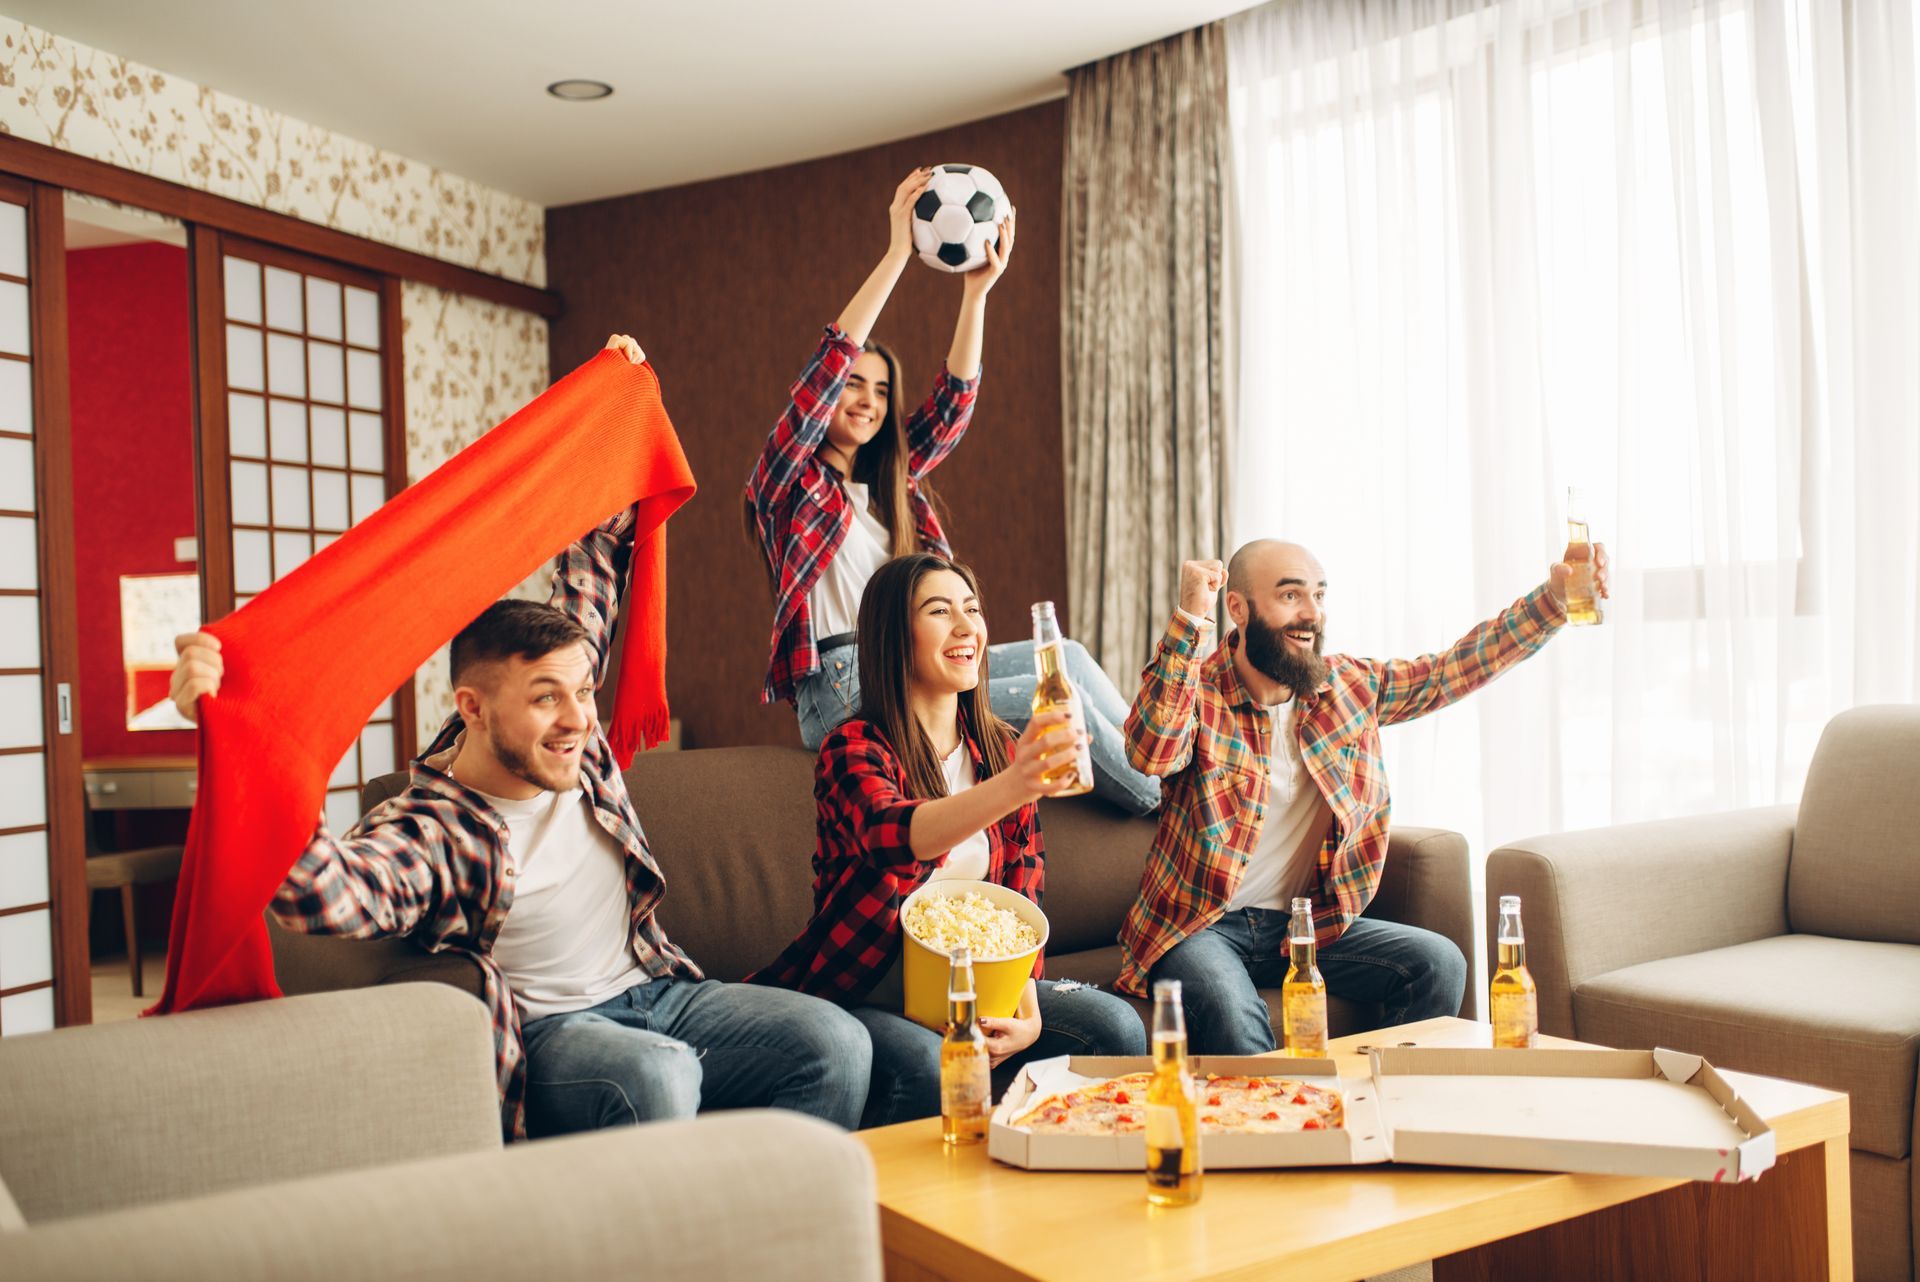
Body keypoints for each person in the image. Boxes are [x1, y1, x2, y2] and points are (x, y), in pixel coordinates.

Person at [169, 335, 871, 1140]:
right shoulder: (432, 829)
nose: (578, 719)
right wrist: (236, 738)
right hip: (556, 1034)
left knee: (837, 1043)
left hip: (661, 988)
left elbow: (599, 552)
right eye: (546, 700)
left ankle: (775, 1208)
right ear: (471, 707)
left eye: (583, 692)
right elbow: (321, 896)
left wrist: (616, 397)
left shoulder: (578, 737)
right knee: (661, 1072)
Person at [744, 168, 1158, 814]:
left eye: (882, 391)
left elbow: (952, 405)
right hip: (845, 685)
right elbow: (827, 365)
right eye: (854, 385)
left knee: (1068, 659)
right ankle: (1162, 801)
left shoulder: (894, 490)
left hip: (914, 660)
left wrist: (976, 294)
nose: (867, 400)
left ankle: (1162, 767)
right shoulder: (788, 485)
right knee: (1061, 701)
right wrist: (896, 255)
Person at [1116, 538, 1612, 1053]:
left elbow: (1451, 671)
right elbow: (1150, 752)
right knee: (1231, 1011)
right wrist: (1189, 620)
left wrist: (1552, 602)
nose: (1311, 614)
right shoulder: (1197, 694)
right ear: (1237, 608)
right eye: (1290, 596)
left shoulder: (1348, 688)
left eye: (1319, 595)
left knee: (1438, 963)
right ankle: (1285, 1106)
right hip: (1200, 927)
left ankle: (1386, 1093)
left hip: (1303, 926)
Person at [750, 552, 1148, 1127]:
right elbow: (893, 837)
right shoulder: (853, 748)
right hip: (875, 989)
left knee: (1116, 1026)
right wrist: (1016, 784)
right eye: (940, 612)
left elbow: (1021, 889)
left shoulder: (998, 746)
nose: (967, 628)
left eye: (973, 610)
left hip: (980, 986)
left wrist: (1026, 1009)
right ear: (894, 635)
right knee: (933, 1065)